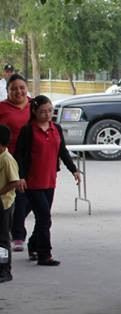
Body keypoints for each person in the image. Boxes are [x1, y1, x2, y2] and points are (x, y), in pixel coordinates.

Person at [12, 95, 80, 266]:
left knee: (42, 218)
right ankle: (44, 254)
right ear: (34, 111)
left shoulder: (56, 128)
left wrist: (74, 169)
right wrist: (20, 176)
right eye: (43, 112)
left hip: (50, 180)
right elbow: (19, 155)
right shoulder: (28, 130)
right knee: (44, 218)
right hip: (32, 182)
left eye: (50, 111)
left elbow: (62, 151)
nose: (47, 114)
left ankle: (33, 245)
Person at [0, 74, 31, 253]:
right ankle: (18, 234)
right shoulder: (2, 108)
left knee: (33, 197)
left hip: (33, 159)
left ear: (27, 89)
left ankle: (13, 226)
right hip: (9, 160)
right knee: (18, 197)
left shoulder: (35, 105)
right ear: (7, 91)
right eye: (13, 89)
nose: (18, 91)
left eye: (22, 87)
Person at [0, 124, 18, 282]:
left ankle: (5, 269)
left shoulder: (7, 159)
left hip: (4, 204)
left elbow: (14, 182)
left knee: (3, 240)